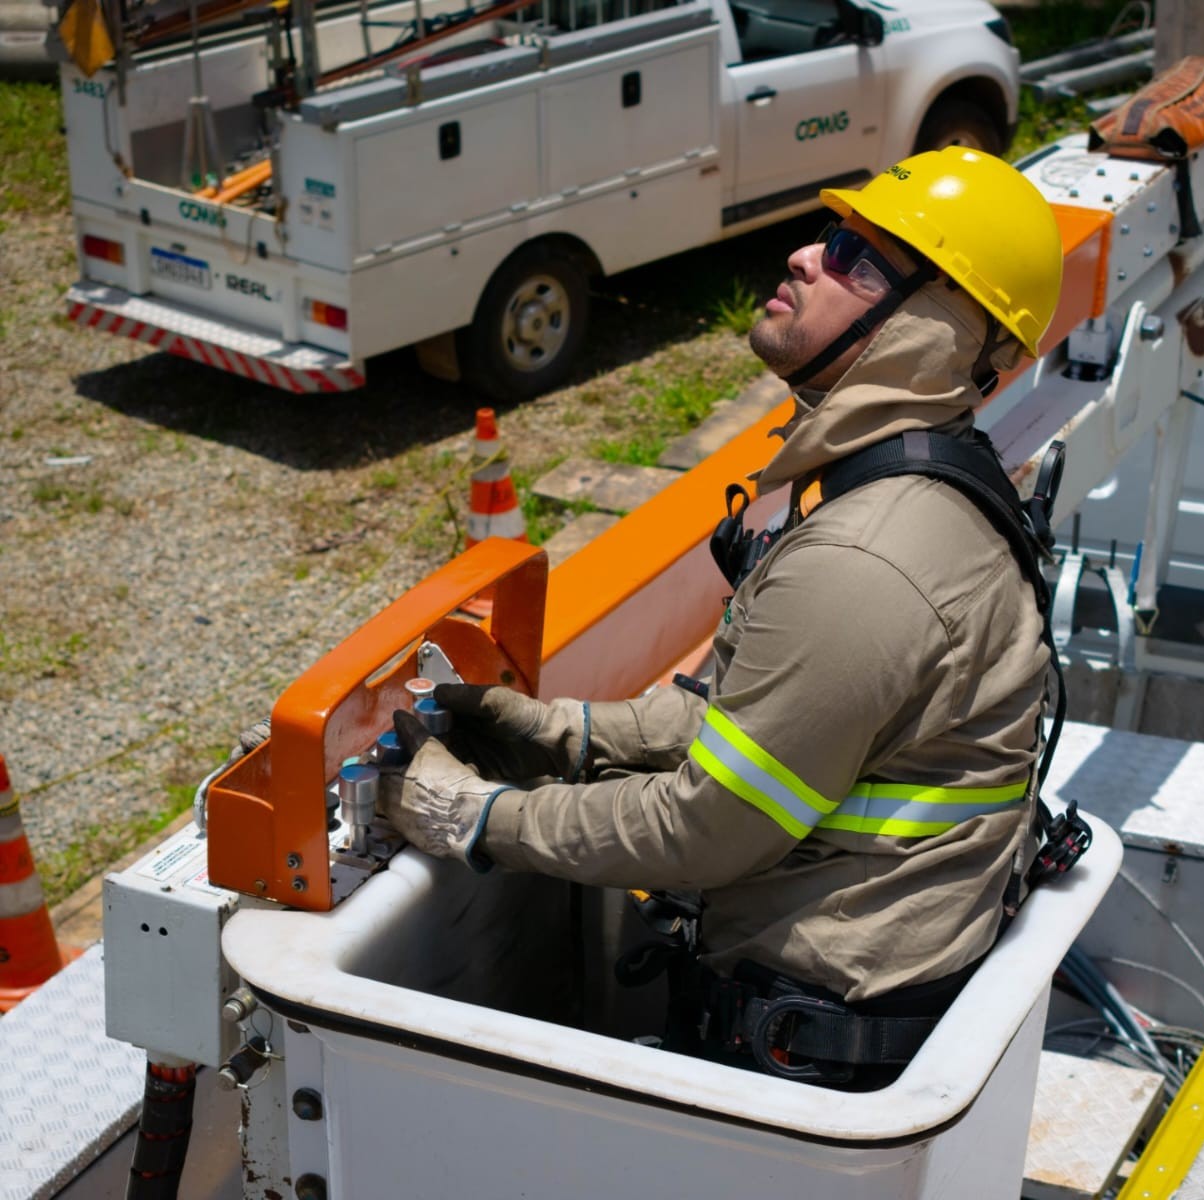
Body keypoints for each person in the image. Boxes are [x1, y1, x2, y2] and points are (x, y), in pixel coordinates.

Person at [380, 146, 1066, 1084]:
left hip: (809, 1068)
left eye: (853, 256)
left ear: (931, 329)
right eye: (827, 235)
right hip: (833, 1020)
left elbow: (709, 828)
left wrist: (477, 816)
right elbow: (767, 727)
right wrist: (571, 733)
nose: (804, 257)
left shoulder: (867, 559)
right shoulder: (910, 489)